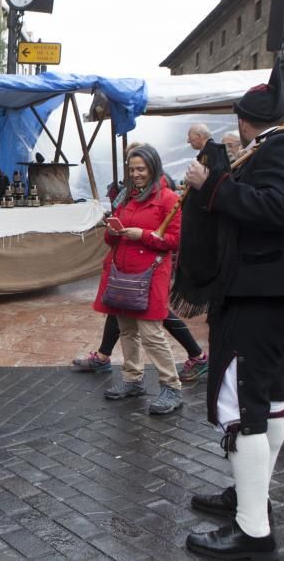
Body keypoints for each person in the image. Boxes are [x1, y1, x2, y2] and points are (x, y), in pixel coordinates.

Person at [183, 64, 284, 558]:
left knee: (240, 408)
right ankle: (250, 498)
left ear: (244, 121)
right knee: (269, 403)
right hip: (272, 299)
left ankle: (253, 529)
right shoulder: (283, 148)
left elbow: (281, 208)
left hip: (262, 300)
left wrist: (213, 187)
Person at [93, 144, 183, 415]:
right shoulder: (125, 198)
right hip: (123, 274)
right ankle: (133, 379)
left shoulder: (168, 199)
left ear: (153, 168)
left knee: (152, 333)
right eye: (132, 170)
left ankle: (172, 386)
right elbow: (112, 241)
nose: (136, 174)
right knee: (127, 329)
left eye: (141, 169)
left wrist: (141, 235)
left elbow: (175, 241)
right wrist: (113, 230)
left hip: (151, 275)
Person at [72, 312, 208, 382]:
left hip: (148, 267)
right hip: (132, 267)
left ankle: (172, 383)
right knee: (117, 303)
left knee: (158, 311)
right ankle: (102, 357)